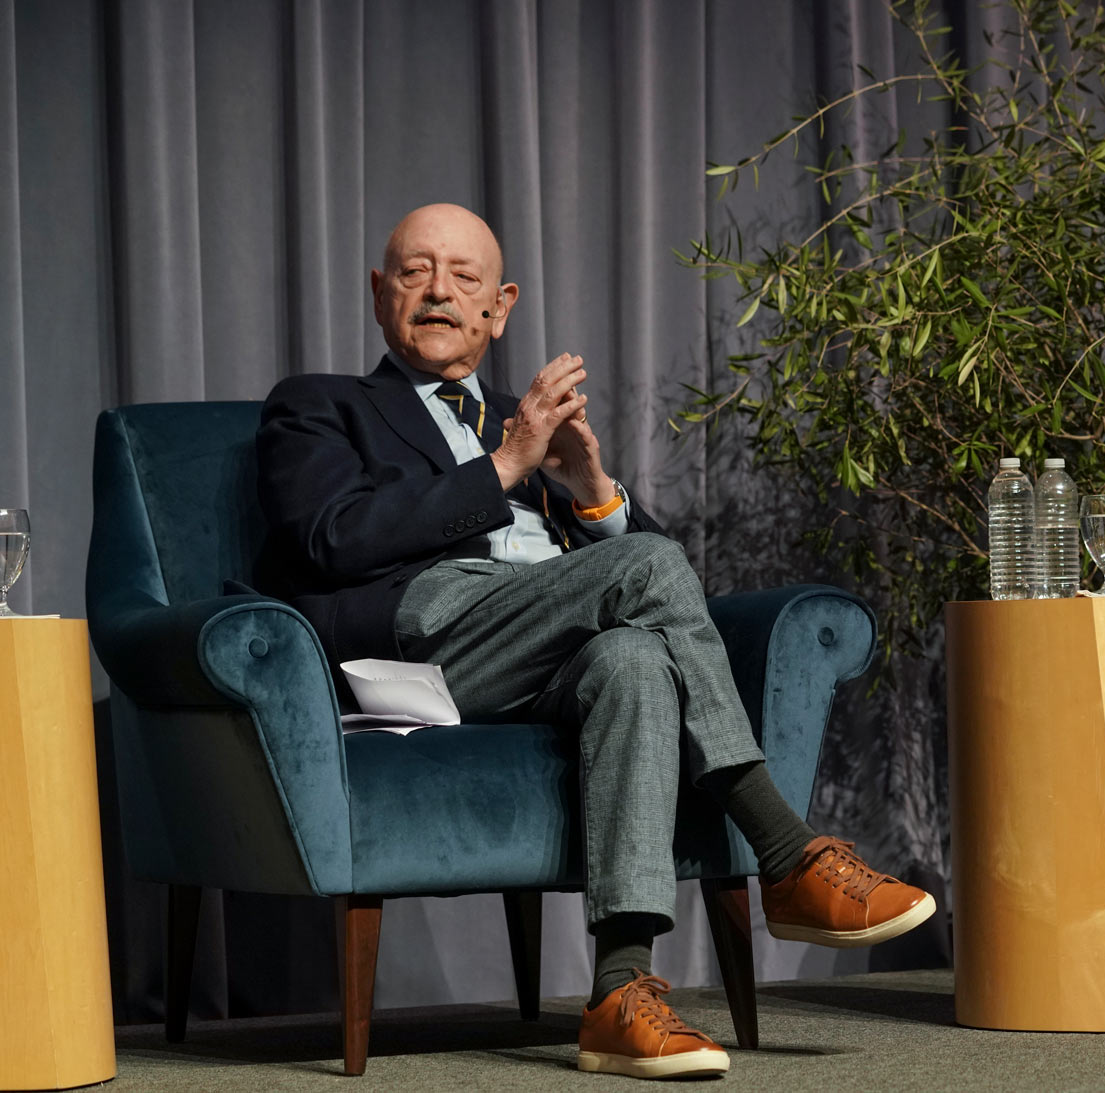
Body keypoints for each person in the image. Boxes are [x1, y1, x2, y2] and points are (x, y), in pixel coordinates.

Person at [256, 203, 934, 1080]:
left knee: (635, 658)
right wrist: (504, 467)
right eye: (416, 273)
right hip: (420, 641)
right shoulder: (321, 405)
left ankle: (620, 992)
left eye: (463, 278)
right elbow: (330, 538)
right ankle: (785, 849)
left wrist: (592, 488)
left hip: (550, 647)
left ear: (499, 307)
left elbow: (662, 578)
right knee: (641, 576)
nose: (438, 292)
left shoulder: (528, 417)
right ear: (380, 294)